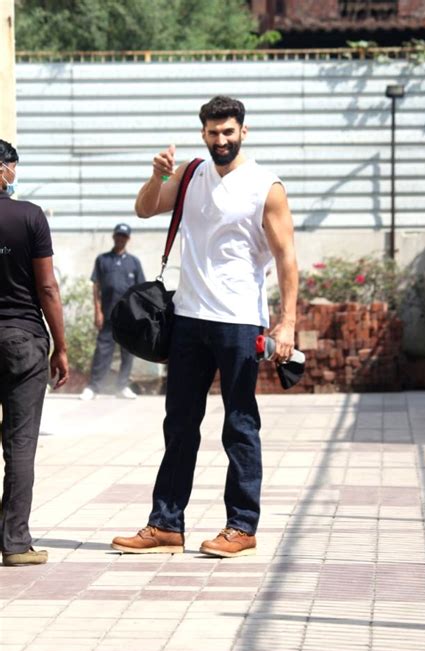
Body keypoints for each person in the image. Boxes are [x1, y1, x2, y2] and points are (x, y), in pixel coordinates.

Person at [112, 95, 298, 558]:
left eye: (229, 132)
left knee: (239, 424)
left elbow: (286, 257)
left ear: (243, 132)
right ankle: (165, 524)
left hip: (239, 321)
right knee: (179, 425)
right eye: (213, 132)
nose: (221, 140)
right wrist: (156, 175)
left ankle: (242, 526)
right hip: (189, 318)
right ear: (203, 134)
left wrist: (288, 320)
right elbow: (144, 209)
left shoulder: (264, 185)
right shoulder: (191, 173)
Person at [0, 139, 68, 566]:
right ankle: (15, 543)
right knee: (20, 444)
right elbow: (47, 287)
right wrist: (61, 347)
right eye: (12, 166)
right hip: (23, 340)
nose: (14, 174)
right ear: (3, 169)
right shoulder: (29, 216)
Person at [80, 224, 145, 400]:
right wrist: (97, 311)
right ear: (113, 237)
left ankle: (122, 386)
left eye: (124, 236)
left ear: (127, 239)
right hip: (107, 314)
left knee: (127, 352)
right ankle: (93, 387)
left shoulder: (134, 262)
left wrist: (139, 314)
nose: (120, 239)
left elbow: (140, 290)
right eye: (118, 235)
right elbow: (96, 286)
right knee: (102, 351)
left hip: (128, 316)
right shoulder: (102, 260)